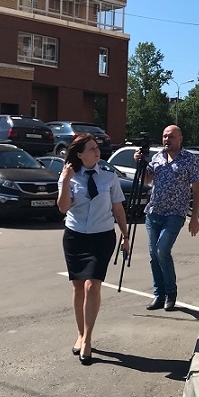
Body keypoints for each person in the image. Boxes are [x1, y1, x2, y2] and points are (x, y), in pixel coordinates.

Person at [57, 134, 129, 365]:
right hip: (75, 237)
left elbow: (118, 209)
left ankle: (88, 339)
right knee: (78, 287)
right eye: (91, 149)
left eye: (97, 148)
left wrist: (126, 236)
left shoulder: (109, 176)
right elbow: (63, 208)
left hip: (102, 237)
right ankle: (80, 334)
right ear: (79, 154)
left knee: (92, 285)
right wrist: (65, 181)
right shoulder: (69, 176)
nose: (97, 152)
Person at [135, 124, 199, 312]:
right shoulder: (157, 157)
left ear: (180, 139)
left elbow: (197, 191)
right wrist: (140, 163)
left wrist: (194, 218)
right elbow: (145, 180)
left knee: (162, 250)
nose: (167, 139)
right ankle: (159, 295)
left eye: (171, 136)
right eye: (165, 136)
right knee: (153, 255)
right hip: (154, 212)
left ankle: (171, 292)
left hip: (175, 213)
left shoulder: (189, 159)